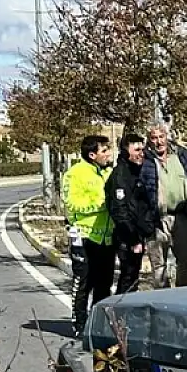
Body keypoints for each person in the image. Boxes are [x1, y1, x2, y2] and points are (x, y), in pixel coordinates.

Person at [60, 134, 115, 333]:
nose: (109, 153)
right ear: (92, 155)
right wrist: (101, 205)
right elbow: (71, 205)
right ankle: (79, 324)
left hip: (107, 238)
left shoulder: (109, 172)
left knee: (104, 284)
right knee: (83, 282)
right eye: (104, 150)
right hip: (84, 237)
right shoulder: (75, 174)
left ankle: (98, 324)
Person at [139, 123, 187, 288]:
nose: (159, 142)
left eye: (161, 137)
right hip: (157, 220)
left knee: (185, 262)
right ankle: (163, 301)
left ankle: (182, 299)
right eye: (154, 138)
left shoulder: (182, 155)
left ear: (167, 137)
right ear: (149, 140)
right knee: (159, 269)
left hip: (181, 216)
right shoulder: (144, 160)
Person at [106, 134, 156, 296]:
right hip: (126, 237)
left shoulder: (137, 171)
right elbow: (120, 211)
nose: (141, 153)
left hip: (138, 233)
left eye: (142, 149)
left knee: (133, 277)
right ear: (126, 151)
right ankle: (120, 315)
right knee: (128, 277)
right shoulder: (120, 175)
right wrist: (133, 239)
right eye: (137, 150)